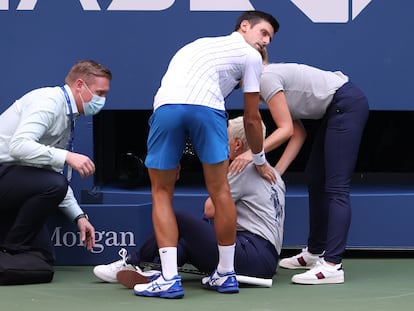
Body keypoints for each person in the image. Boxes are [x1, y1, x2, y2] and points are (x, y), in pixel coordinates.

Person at [134, 10, 280, 299]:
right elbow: (251, 119)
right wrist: (259, 159)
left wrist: (174, 155)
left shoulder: (197, 45)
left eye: (269, 39)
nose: (265, 42)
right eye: (263, 33)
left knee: (162, 192)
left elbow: (181, 99)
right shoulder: (251, 57)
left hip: (167, 109)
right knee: (220, 191)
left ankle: (168, 278)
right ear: (244, 26)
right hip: (206, 111)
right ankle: (225, 275)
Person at [93, 116, 286, 291]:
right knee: (186, 243)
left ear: (237, 145)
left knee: (178, 218)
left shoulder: (242, 168)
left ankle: (134, 261)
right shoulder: (275, 175)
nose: (221, 143)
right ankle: (157, 271)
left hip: (250, 254)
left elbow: (210, 209)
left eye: (224, 139)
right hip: (265, 261)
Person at [230, 48, 369, 285]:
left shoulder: (265, 79)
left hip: (346, 104)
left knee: (336, 188)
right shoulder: (264, 84)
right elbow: (298, 133)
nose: (234, 82)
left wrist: (253, 155)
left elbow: (285, 131)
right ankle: (315, 252)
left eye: (234, 75)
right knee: (315, 177)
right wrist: (276, 173)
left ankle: (333, 264)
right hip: (336, 108)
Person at [0, 60, 112, 266]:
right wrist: (68, 157)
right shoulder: (48, 103)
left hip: (11, 183)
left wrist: (79, 216)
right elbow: (18, 146)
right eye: (100, 93)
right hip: (4, 173)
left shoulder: (69, 114)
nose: (102, 100)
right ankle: (11, 248)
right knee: (56, 183)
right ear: (80, 85)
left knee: (43, 261)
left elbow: (51, 173)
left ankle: (11, 249)